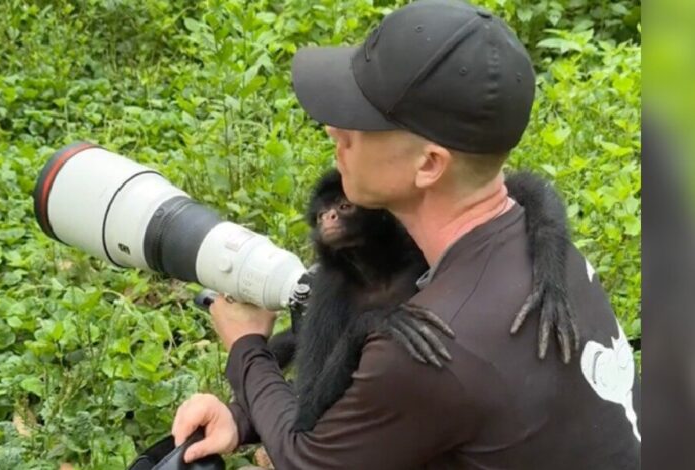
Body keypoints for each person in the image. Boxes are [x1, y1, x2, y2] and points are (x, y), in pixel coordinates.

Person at [171, 0, 641, 468]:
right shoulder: (536, 243)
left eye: (362, 121)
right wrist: (242, 416)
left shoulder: (431, 344)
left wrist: (247, 347)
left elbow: (304, 460)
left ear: (430, 164)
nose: (336, 130)